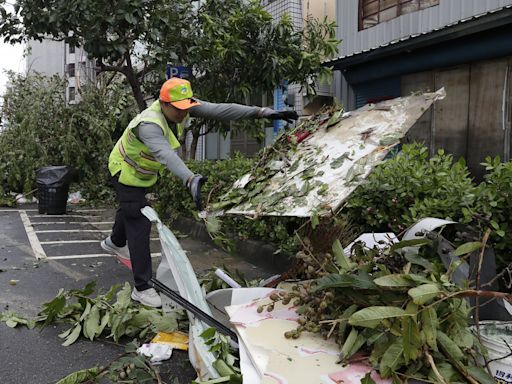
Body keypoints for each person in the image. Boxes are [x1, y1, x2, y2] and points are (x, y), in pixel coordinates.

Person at [101, 77, 298, 307]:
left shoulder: (181, 107)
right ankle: (142, 288)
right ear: (163, 103)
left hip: (142, 174)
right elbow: (166, 155)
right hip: (124, 170)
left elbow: (220, 110)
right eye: (177, 110)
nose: (183, 114)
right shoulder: (149, 124)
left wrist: (261, 112)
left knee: (130, 208)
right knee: (139, 220)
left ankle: (115, 241)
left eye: (186, 108)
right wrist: (190, 179)